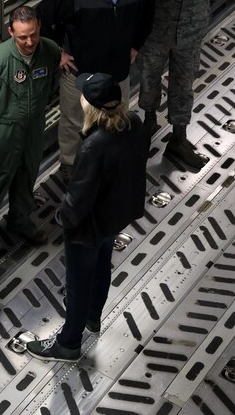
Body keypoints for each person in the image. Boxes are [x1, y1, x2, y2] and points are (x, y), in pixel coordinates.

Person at [27, 72, 149, 362]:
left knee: (78, 284)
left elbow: (78, 199)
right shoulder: (133, 122)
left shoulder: (94, 146)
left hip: (89, 225)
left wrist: (61, 218)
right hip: (115, 216)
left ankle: (68, 343)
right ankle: (93, 318)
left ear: (90, 106)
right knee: (101, 267)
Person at [36, 0, 154, 183]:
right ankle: (69, 164)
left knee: (115, 120)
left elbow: (148, 14)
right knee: (73, 122)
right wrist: (58, 52)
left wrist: (136, 45)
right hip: (81, 72)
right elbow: (42, 17)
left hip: (116, 71)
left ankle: (108, 163)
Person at [0, 6, 61, 270]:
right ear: (10, 33)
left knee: (26, 176)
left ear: (38, 27)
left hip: (32, 129)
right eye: (22, 37)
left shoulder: (50, 51)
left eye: (32, 35)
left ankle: (21, 221)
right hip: (0, 132)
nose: (29, 42)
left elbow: (53, 84)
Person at [137, 0, 230, 169]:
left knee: (183, 85)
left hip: (190, 37)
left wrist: (195, 19)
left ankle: (178, 139)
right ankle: (148, 122)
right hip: (157, 33)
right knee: (149, 79)